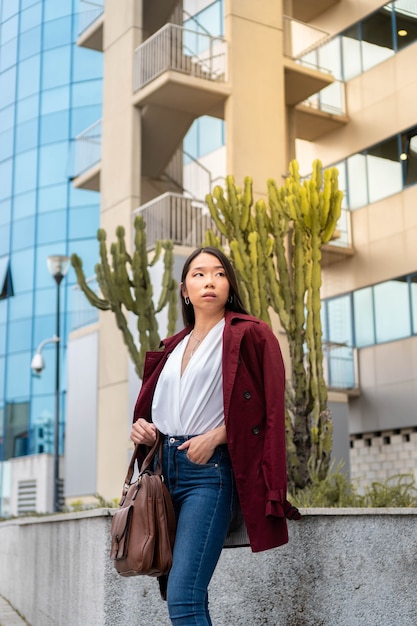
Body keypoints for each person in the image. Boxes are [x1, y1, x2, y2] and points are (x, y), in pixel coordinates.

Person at [130, 246, 300, 626]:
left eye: (219, 273)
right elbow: (161, 409)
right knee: (179, 589)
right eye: (199, 274)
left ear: (229, 285)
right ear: (184, 289)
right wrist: (142, 430)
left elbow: (269, 410)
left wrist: (220, 435)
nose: (210, 281)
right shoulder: (172, 346)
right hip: (163, 470)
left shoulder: (250, 335)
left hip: (208, 473)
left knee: (184, 594)